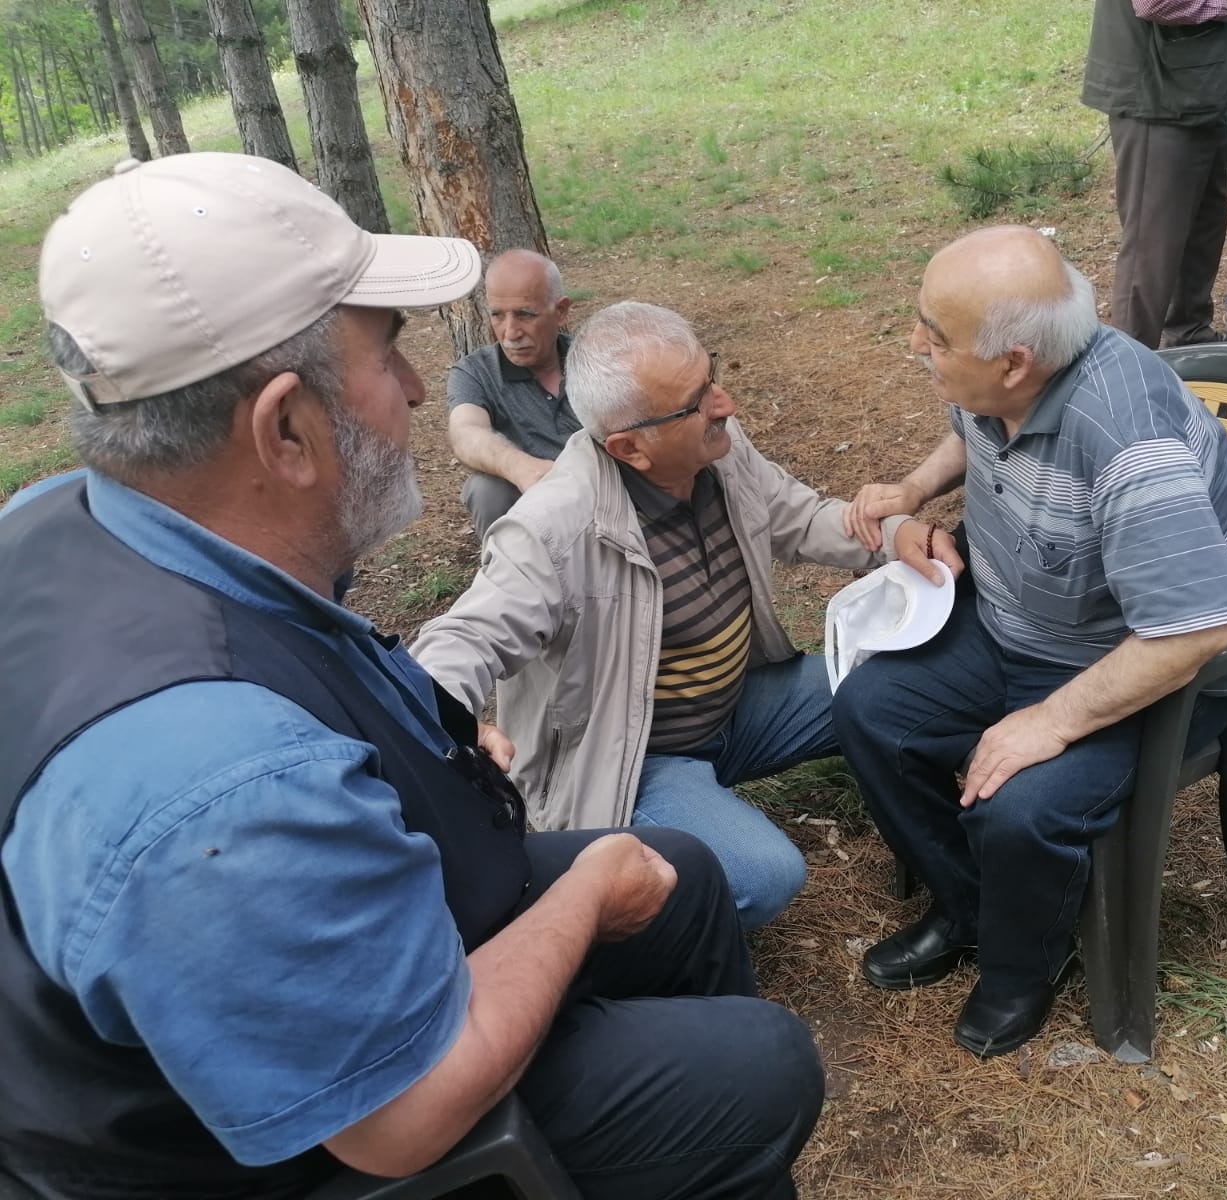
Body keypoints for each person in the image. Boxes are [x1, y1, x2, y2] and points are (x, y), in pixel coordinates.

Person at [0, 154, 822, 1200]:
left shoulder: (59, 521)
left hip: (360, 940)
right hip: (334, 1131)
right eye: (390, 354)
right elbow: (400, 1121)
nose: (419, 390)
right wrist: (582, 900)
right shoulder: (222, 784)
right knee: (760, 1064)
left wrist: (432, 725)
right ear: (286, 430)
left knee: (687, 878)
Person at [833, 226, 1227, 1058]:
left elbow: (1199, 627)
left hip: (1135, 664)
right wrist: (915, 487)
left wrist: (1050, 721)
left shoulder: (1128, 443)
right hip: (1017, 627)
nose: (915, 343)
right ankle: (972, 906)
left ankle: (1022, 967)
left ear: (1015, 362)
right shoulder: (1001, 379)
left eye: (935, 335)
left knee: (1020, 806)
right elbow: (970, 425)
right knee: (870, 712)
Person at [412, 301, 885, 930]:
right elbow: (463, 639)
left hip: (739, 707)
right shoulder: (554, 530)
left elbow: (799, 517)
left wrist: (897, 534)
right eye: (698, 402)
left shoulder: (715, 450)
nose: (725, 404)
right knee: (764, 876)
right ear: (629, 447)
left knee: (892, 684)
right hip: (638, 757)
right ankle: (613, 909)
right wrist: (442, 718)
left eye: (711, 376)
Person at [1081, 0, 1227, 350]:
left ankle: (1189, 338)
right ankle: (1130, 362)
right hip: (1160, 95)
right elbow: (1157, 4)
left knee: (1204, 224)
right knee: (1151, 246)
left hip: (1198, 86)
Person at [447, 248, 579, 539]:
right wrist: (523, 469)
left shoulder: (593, 360)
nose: (510, 333)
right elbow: (466, 432)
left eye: (525, 314)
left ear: (560, 311)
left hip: (604, 496)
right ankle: (508, 566)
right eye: (497, 315)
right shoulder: (476, 372)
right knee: (486, 491)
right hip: (530, 503)